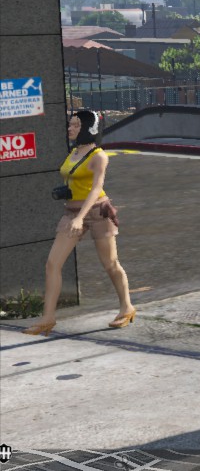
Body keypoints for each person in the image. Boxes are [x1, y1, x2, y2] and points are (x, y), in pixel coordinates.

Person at [25, 110, 134, 335]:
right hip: (72, 212)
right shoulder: (74, 152)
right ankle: (48, 318)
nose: (70, 128)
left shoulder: (99, 156)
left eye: (76, 125)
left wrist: (80, 217)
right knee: (52, 264)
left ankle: (127, 307)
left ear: (88, 128)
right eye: (70, 124)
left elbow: (96, 189)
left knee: (110, 264)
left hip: (97, 212)